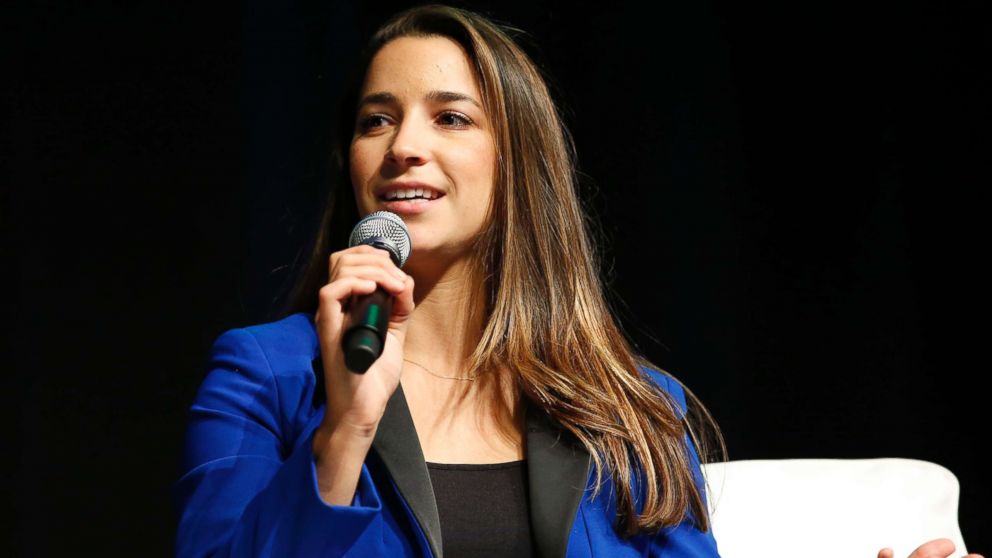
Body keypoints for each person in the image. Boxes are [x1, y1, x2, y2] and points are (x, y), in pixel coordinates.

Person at [172, 5, 982, 558]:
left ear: (517, 164)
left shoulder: (633, 409)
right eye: (375, 119)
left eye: (450, 117)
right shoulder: (268, 375)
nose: (402, 145)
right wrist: (343, 432)